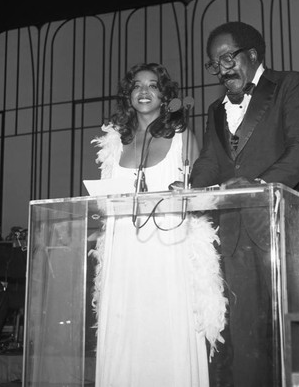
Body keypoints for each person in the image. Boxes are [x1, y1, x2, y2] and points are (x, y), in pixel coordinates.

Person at [189, 22, 299, 387]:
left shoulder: (290, 85)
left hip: (282, 225)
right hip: (234, 233)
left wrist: (260, 186)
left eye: (227, 57)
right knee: (246, 336)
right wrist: (185, 189)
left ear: (253, 54)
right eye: (214, 63)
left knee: (291, 333)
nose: (222, 68)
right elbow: (210, 163)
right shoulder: (216, 108)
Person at [90, 63, 227, 387]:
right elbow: (104, 199)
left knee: (167, 325)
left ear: (165, 96)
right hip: (124, 250)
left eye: (153, 85)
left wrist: (189, 190)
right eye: (137, 85)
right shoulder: (115, 142)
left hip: (168, 249)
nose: (144, 91)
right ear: (129, 95)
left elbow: (202, 193)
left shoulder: (183, 138)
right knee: (127, 329)